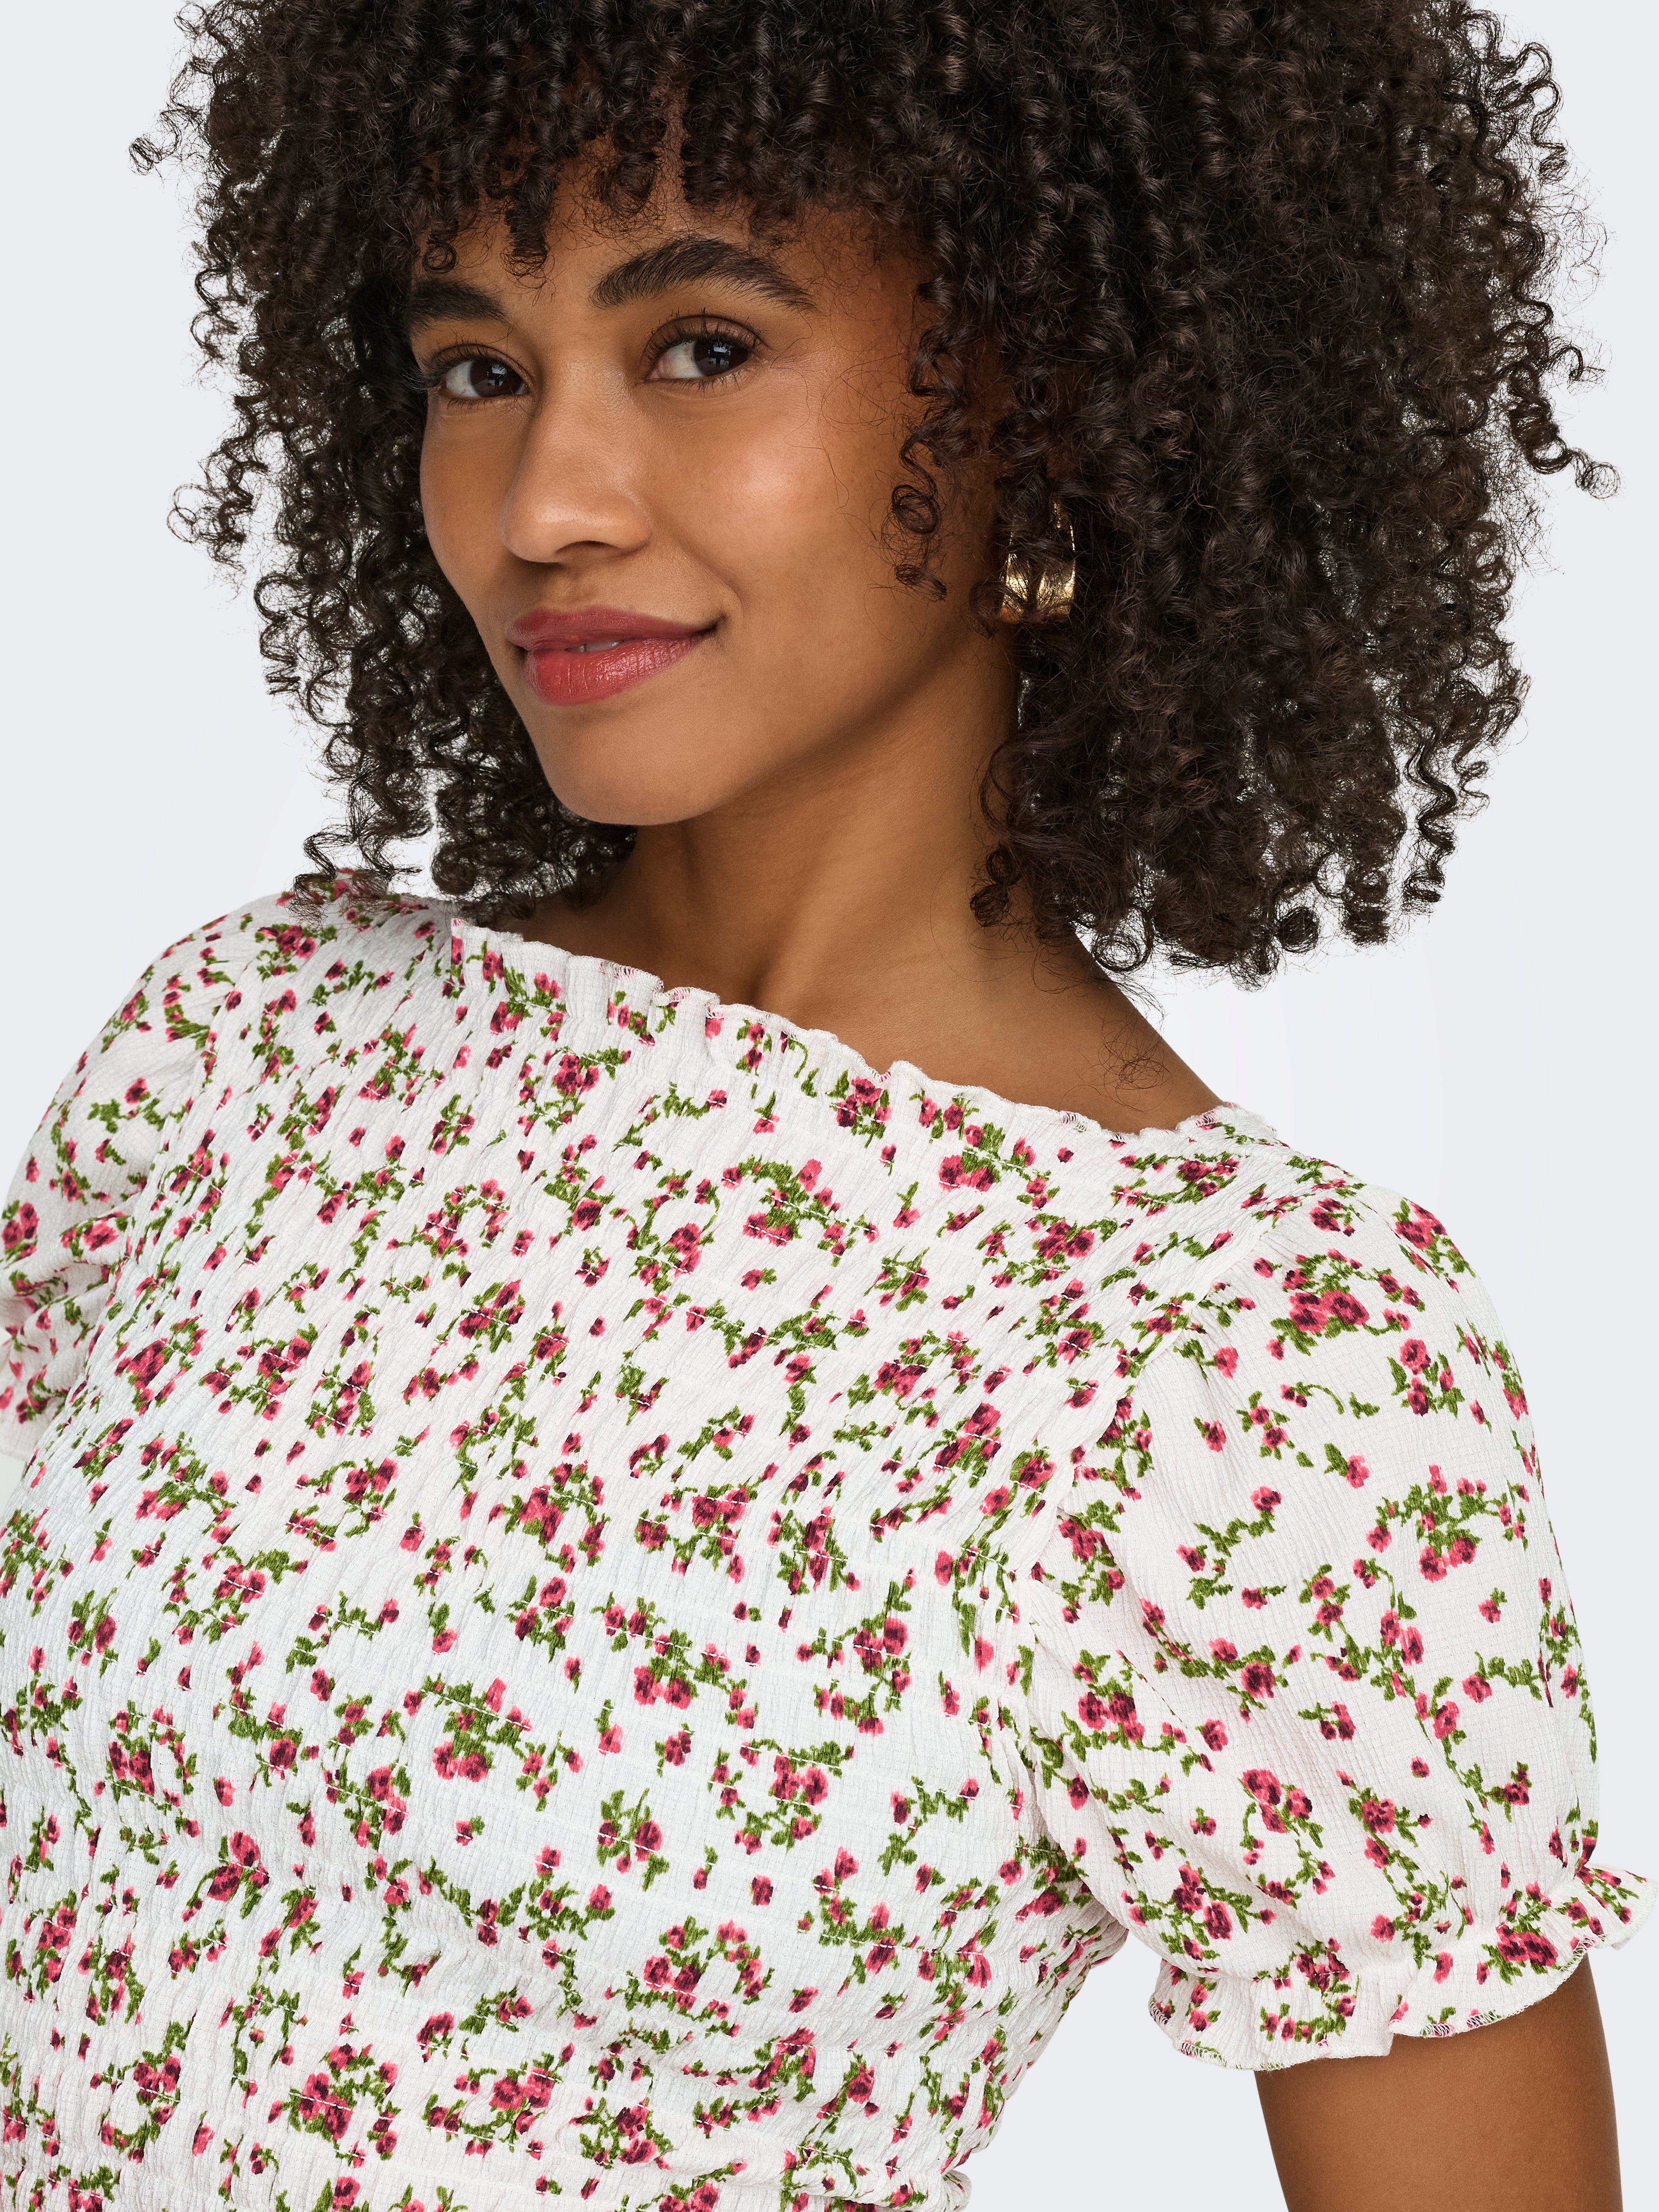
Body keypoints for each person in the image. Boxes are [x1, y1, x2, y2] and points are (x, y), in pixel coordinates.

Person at [0, 3, 1647, 2208]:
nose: (547, 505)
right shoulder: (255, 1047)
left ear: (1045, 388)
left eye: (699, 346)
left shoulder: (1237, 1359)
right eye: (475, 370)